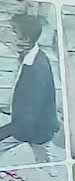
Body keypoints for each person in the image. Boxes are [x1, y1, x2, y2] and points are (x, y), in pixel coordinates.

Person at [0, 13, 58, 163]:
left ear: (25, 39)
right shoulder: (32, 55)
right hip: (37, 124)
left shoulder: (35, 69)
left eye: (13, 31)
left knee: (44, 159)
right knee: (45, 160)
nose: (6, 32)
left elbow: (31, 109)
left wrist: (15, 131)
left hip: (33, 128)